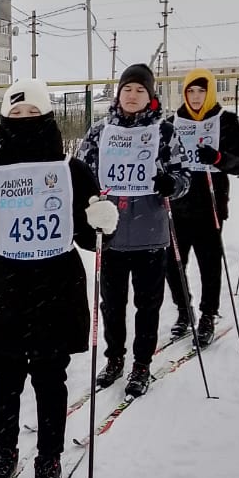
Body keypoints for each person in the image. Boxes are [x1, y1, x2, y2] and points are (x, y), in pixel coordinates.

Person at [0, 79, 118, 478]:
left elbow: (89, 236)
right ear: (5, 120)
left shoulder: (72, 170)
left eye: (33, 114)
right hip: (5, 285)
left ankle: (49, 458)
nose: (24, 122)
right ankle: (4, 453)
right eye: (16, 115)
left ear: (48, 118)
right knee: (1, 380)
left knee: (49, 379)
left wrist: (101, 221)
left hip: (54, 285)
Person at [77, 63, 189, 397]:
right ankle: (114, 358)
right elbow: (84, 174)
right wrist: (89, 203)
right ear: (119, 93)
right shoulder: (100, 131)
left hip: (150, 233)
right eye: (127, 89)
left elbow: (184, 178)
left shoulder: (164, 132)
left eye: (140, 90)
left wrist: (172, 183)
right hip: (111, 233)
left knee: (147, 304)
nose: (133, 95)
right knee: (111, 304)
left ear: (150, 95)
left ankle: (141, 364)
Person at [165, 68, 239, 345]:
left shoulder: (225, 120)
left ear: (209, 92)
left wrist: (218, 157)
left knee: (209, 263)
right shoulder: (173, 121)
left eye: (201, 91)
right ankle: (183, 310)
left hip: (210, 203)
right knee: (174, 263)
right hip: (178, 204)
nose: (196, 96)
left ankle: (208, 314)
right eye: (191, 91)